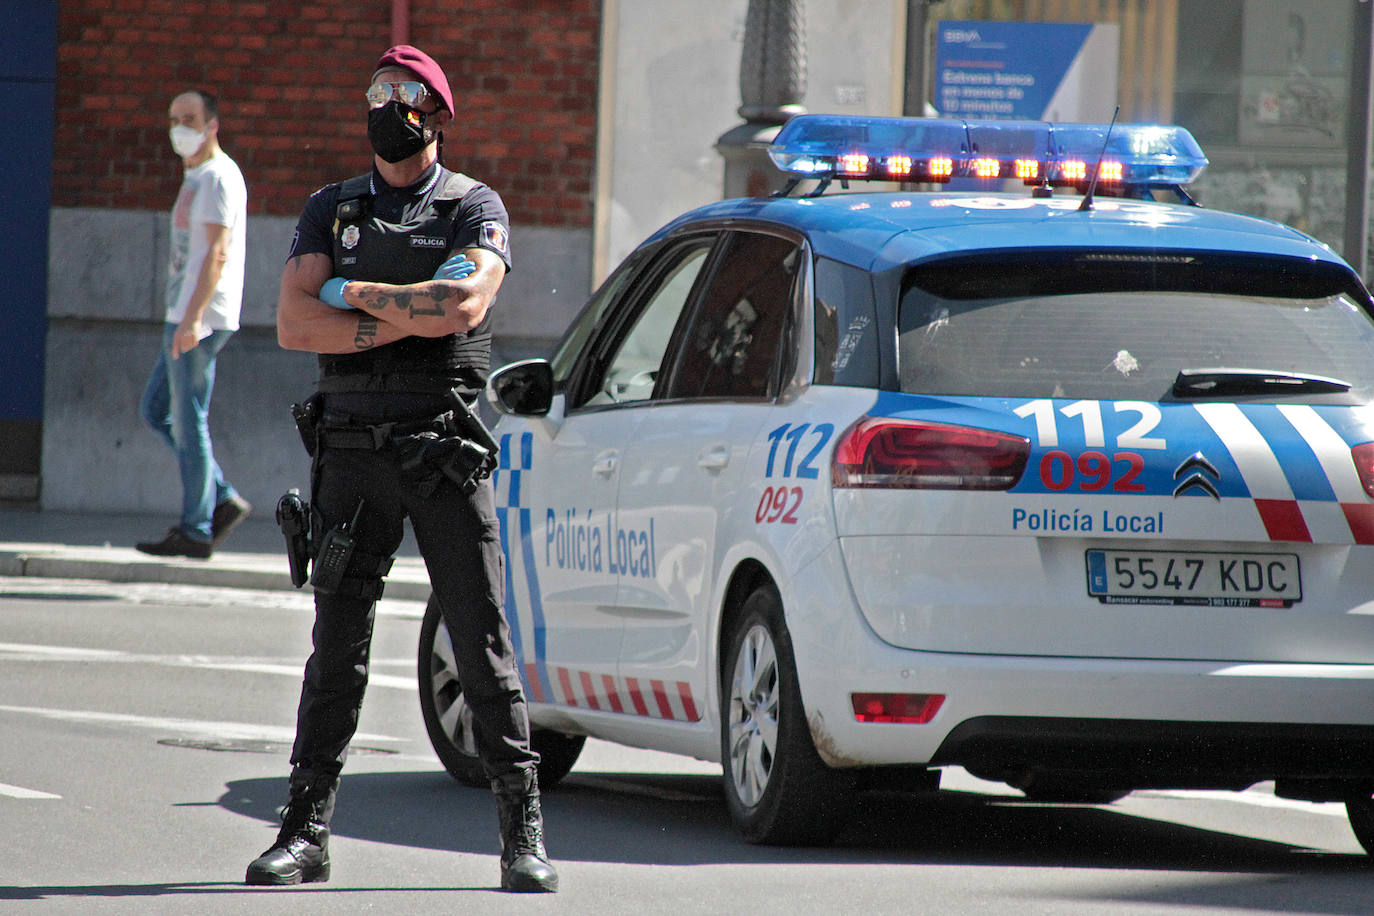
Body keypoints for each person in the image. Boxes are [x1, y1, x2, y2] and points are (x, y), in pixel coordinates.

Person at [246, 45, 557, 893]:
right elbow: (289, 324)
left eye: (404, 94)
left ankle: (520, 833)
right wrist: (392, 312)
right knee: (335, 648)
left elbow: (462, 305)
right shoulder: (332, 207)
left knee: (479, 635)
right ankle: (305, 832)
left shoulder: (470, 205)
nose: (386, 104)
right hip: (349, 453)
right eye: (375, 90)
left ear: (436, 113)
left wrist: (347, 295)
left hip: (439, 446)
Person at [136, 90, 251, 560]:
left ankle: (196, 528)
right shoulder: (198, 176)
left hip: (198, 317)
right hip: (183, 313)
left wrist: (194, 319)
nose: (179, 127)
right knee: (157, 410)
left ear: (212, 126)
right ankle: (219, 498)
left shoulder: (219, 178)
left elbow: (218, 253)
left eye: (190, 119)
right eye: (174, 119)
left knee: (189, 419)